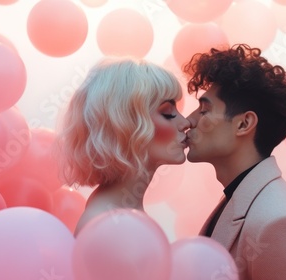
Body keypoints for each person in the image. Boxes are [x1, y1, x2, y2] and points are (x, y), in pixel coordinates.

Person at [183, 44, 286, 279]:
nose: (189, 120)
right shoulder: (242, 198)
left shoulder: (280, 222)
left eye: (204, 110)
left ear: (243, 124)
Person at [58, 57, 190, 236]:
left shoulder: (120, 214)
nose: (185, 122)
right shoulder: (108, 225)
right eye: (167, 113)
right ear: (126, 126)